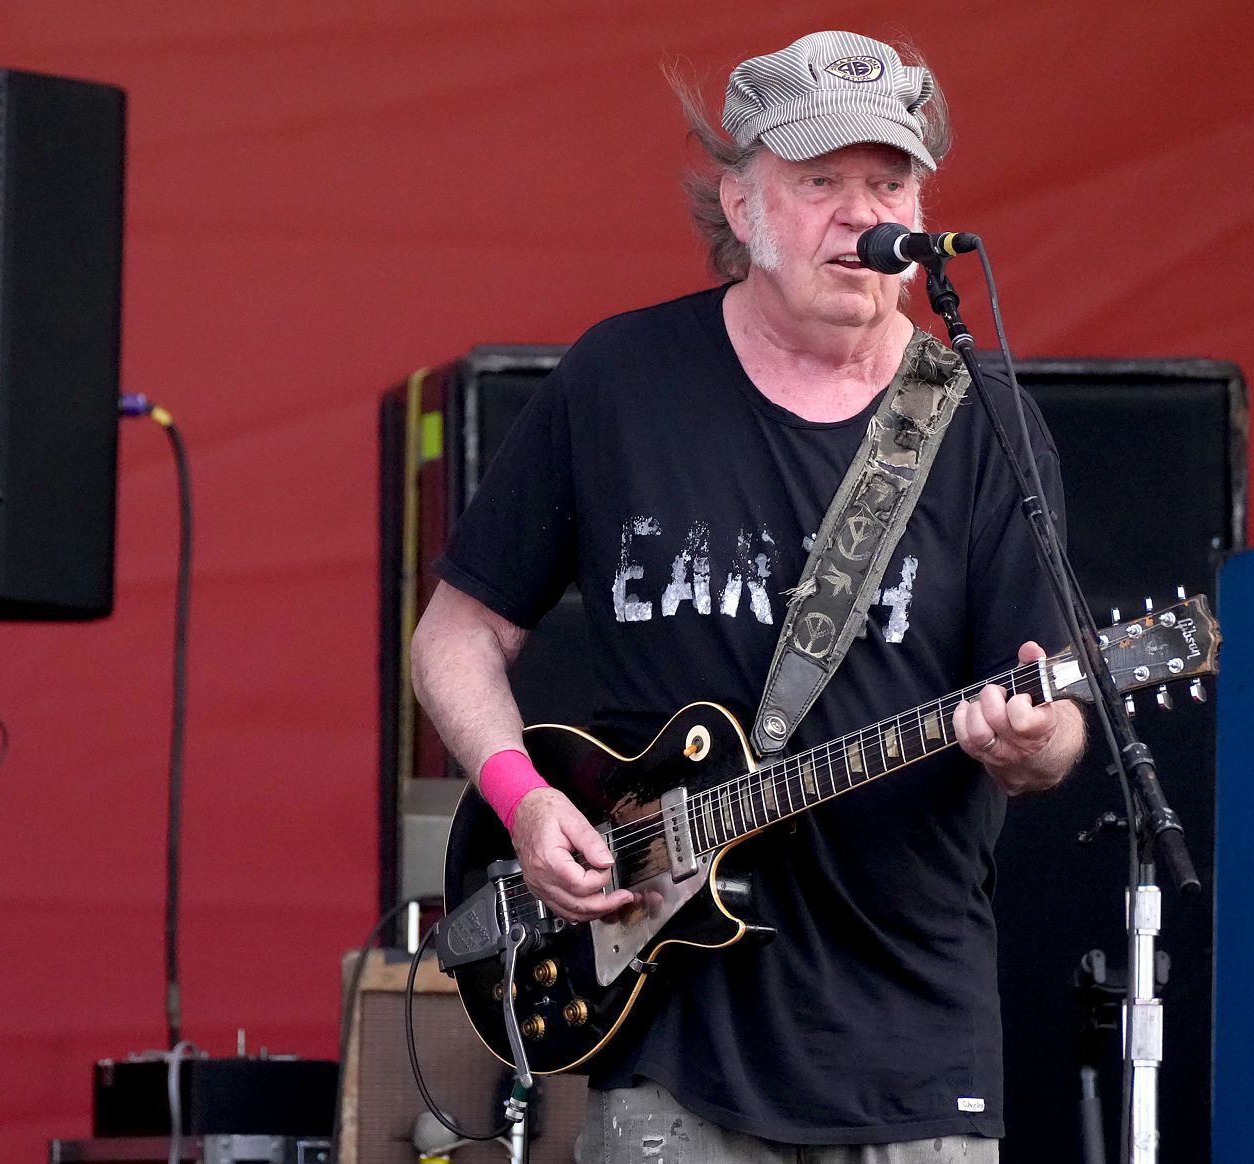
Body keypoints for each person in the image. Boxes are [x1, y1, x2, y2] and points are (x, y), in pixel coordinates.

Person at [410, 30, 1086, 1164]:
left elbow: (1055, 720)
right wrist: (523, 797)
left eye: (887, 182)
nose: (858, 213)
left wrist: (1030, 744)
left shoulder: (979, 420)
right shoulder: (619, 382)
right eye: (820, 181)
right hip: (672, 1043)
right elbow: (456, 634)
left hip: (909, 1044)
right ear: (740, 201)